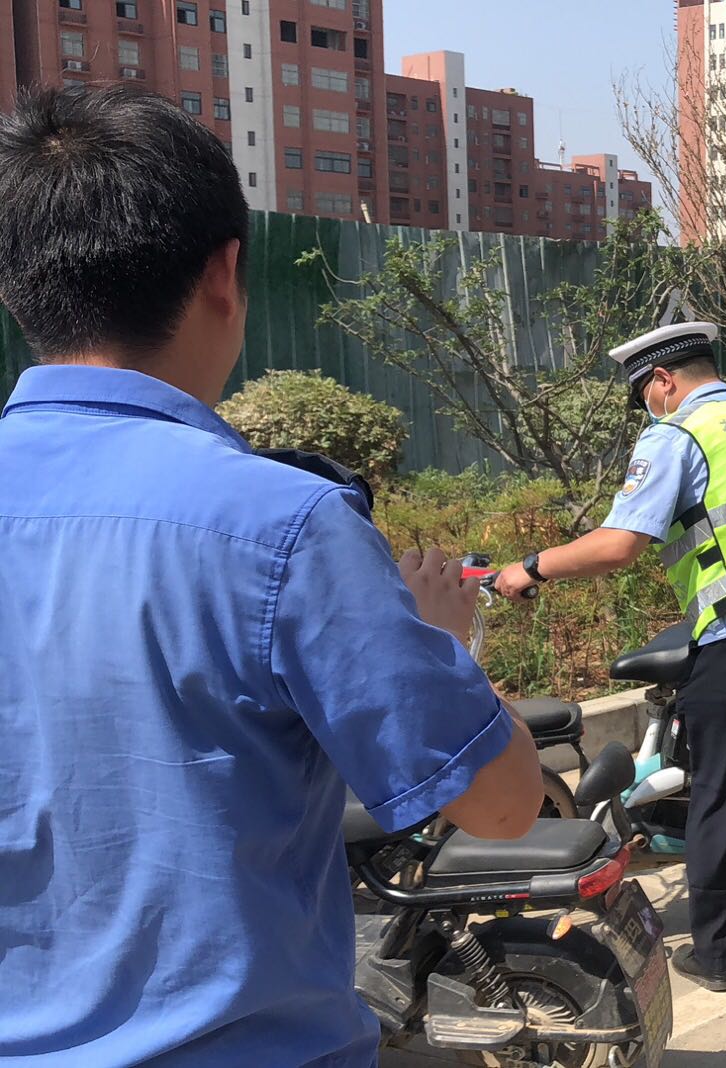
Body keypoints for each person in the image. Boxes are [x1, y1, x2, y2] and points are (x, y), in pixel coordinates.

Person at [0, 85, 544, 1065]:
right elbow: (502, 805)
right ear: (223, 273)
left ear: (18, 289)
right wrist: (442, 643)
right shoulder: (281, 525)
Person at [492, 322, 726, 992]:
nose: (648, 408)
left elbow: (620, 544)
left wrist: (531, 566)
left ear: (663, 380)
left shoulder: (677, 433)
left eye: (645, 395)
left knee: (723, 792)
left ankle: (719, 956)